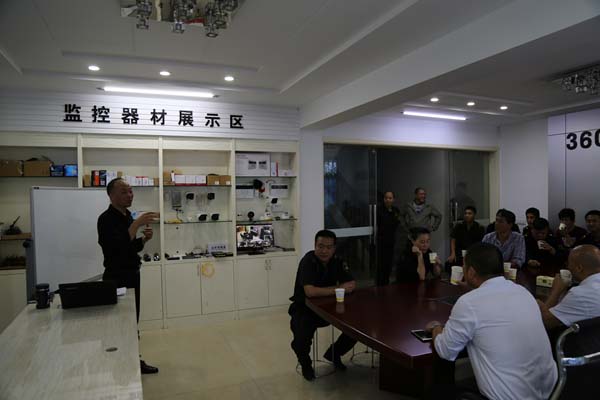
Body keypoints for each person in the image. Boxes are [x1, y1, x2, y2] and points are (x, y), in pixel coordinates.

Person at [425, 243, 557, 400]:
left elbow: (446, 351)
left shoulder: (469, 303)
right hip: (551, 392)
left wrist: (437, 328)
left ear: (471, 272)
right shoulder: (523, 291)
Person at [97, 178, 160, 374]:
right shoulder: (105, 219)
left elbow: (130, 248)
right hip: (117, 278)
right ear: (111, 195)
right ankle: (119, 365)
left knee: (132, 321)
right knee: (119, 323)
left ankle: (133, 361)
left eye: (131, 191)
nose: (130, 195)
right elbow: (117, 247)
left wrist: (144, 239)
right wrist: (137, 224)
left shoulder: (127, 217)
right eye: (124, 192)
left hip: (133, 275)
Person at [288, 230, 357, 381]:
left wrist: (339, 289)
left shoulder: (337, 260)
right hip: (305, 308)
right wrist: (338, 288)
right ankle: (306, 364)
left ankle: (334, 353)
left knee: (357, 328)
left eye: (328, 247)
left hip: (331, 307)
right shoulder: (308, 261)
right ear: (315, 245)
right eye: (320, 246)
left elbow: (351, 283)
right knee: (301, 340)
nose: (324, 251)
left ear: (334, 248)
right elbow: (310, 292)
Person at [537, 245, 600, 330]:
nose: (568, 267)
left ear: (579, 268)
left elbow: (545, 322)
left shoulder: (580, 294)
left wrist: (556, 291)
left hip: (578, 338)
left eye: (569, 264)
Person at [376, 191, 400, 286]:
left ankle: (386, 283)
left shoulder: (396, 210)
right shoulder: (379, 210)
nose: (388, 200)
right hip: (381, 241)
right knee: (380, 264)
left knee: (389, 263)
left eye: (390, 198)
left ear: (393, 199)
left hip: (391, 240)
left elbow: (396, 223)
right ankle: (379, 284)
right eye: (386, 198)